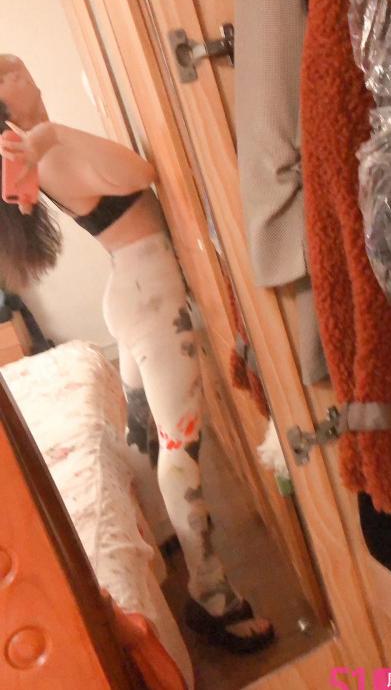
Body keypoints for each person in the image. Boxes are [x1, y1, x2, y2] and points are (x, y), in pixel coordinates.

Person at [0, 54, 274, 653]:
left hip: (135, 291)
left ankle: (161, 537)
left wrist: (48, 134)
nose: (17, 67)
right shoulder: (48, 152)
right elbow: (140, 171)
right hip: (151, 299)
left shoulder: (45, 148)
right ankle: (212, 596)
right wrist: (49, 135)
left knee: (145, 433)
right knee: (180, 449)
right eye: (3, 74)